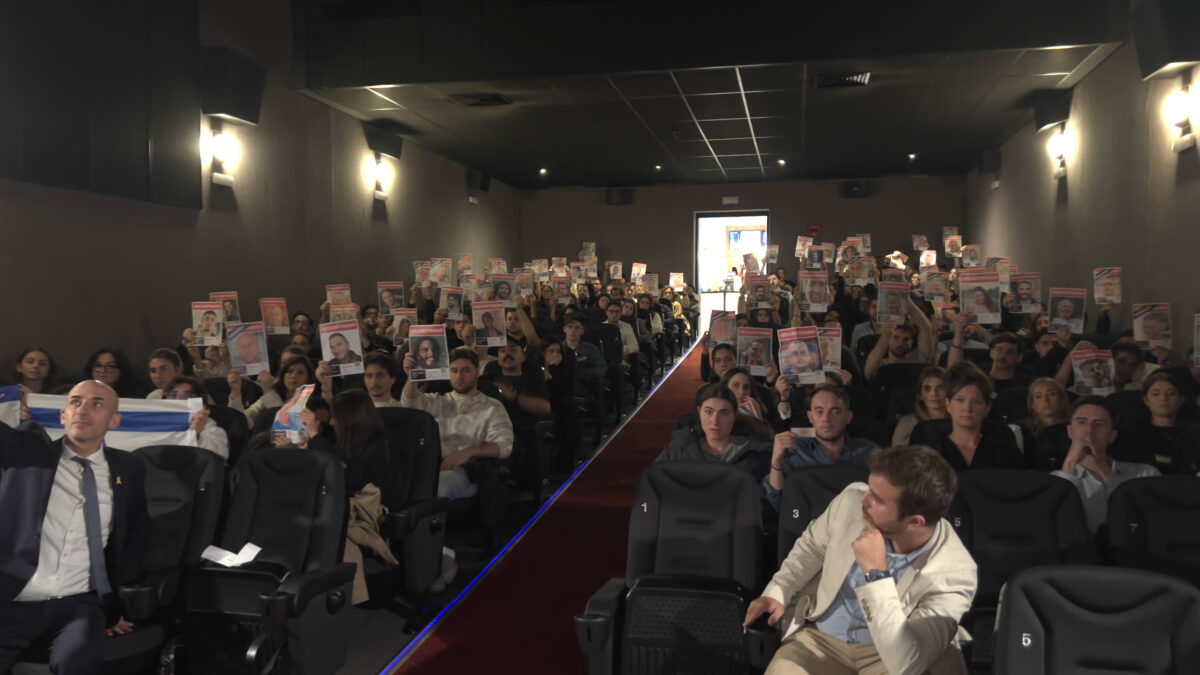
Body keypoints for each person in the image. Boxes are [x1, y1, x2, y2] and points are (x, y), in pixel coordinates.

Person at [745, 445, 976, 675]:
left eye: (877, 499)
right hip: (819, 639)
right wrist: (777, 592)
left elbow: (906, 663)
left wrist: (876, 574)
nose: (864, 499)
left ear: (914, 522)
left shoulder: (955, 573)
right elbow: (812, 548)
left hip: (887, 656)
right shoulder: (851, 500)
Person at [0, 381, 149, 673]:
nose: (82, 409)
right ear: (63, 415)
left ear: (114, 421)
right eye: (75, 402)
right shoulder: (25, 452)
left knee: (78, 662)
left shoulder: (128, 469)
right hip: (11, 599)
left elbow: (134, 535)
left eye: (96, 404)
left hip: (77, 605)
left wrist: (114, 604)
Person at [400, 347, 513, 500]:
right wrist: (412, 377)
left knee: (432, 488)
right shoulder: (439, 401)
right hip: (432, 467)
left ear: (477, 371)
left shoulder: (491, 406)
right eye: (454, 371)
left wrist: (470, 451)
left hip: (468, 471)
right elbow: (409, 405)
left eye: (466, 370)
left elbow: (505, 446)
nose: (459, 376)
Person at [763, 383, 877, 511]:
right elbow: (778, 502)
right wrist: (776, 462)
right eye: (819, 412)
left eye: (835, 412)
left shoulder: (870, 453)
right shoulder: (794, 451)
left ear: (848, 417)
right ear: (810, 417)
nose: (826, 419)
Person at [1053, 396, 1159, 532]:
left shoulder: (1145, 474)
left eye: (1099, 424)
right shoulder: (1058, 478)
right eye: (1082, 422)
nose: (1089, 430)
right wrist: (1070, 464)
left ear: (1112, 435)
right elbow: (1052, 522)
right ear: (1069, 431)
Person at [911, 362, 1025, 471]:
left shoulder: (1007, 453)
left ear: (987, 408)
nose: (967, 408)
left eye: (976, 402)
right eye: (960, 400)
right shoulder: (929, 454)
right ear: (948, 405)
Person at [656, 384, 773, 480]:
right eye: (709, 412)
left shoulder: (754, 453)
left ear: (735, 416)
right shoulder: (680, 447)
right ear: (699, 412)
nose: (715, 421)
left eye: (724, 413)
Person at [229, 354, 331, 428]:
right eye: (289, 371)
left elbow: (286, 424)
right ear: (282, 376)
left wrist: (268, 391)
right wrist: (236, 392)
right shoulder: (273, 394)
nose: (294, 376)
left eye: (300, 372)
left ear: (309, 379)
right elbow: (243, 422)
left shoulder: (313, 401)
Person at [863, 296, 936, 381]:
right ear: (888, 339)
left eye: (905, 339)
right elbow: (868, 373)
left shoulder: (917, 361)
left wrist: (906, 298)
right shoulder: (880, 364)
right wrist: (885, 336)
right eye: (896, 338)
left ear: (911, 342)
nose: (900, 343)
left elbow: (925, 329)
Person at [164, 376, 229, 460]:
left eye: (187, 396)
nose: (178, 401)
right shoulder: (156, 424)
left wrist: (196, 435)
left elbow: (219, 456)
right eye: (173, 395)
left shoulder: (212, 430)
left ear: (202, 405)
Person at [891, 366, 947, 446]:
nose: (934, 393)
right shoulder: (908, 423)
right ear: (920, 395)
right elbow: (898, 455)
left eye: (940, 387)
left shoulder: (959, 422)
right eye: (927, 388)